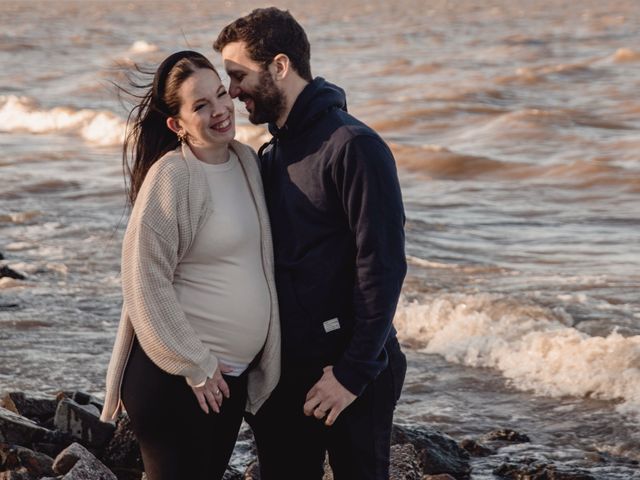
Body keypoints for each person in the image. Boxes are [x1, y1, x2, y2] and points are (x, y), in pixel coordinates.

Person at [214, 8, 407, 479]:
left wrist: (351, 375)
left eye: (238, 75)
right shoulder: (271, 151)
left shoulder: (354, 146)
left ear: (279, 66)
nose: (233, 91)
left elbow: (382, 268)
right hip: (284, 371)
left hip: (351, 372)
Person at [99, 50, 280, 480]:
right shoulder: (173, 176)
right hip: (177, 378)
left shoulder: (246, 162)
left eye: (221, 95)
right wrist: (195, 364)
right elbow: (144, 280)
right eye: (200, 106)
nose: (220, 110)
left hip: (225, 381)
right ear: (176, 124)